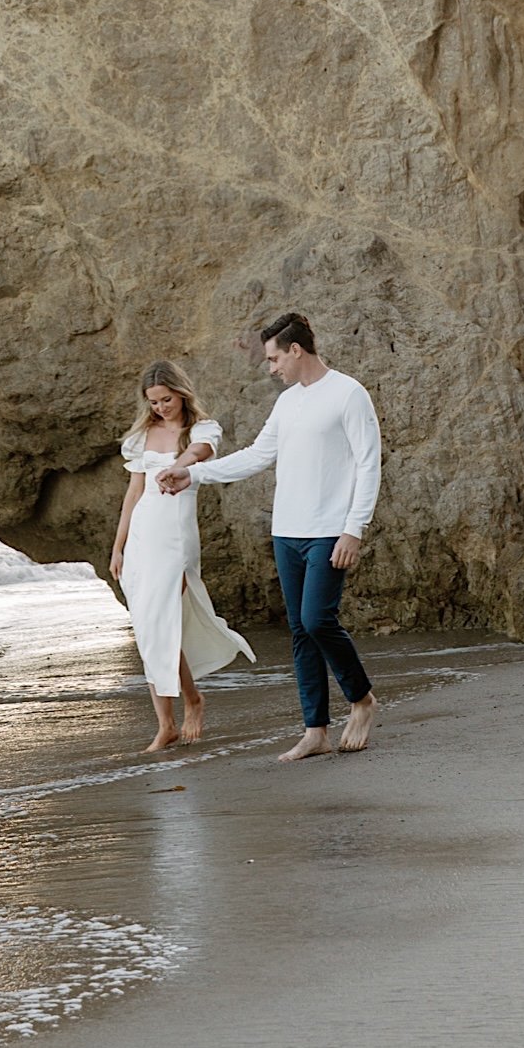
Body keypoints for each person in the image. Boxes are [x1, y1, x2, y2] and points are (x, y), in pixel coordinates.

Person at [159, 312, 379, 763]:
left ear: (296, 350)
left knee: (319, 620)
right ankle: (315, 729)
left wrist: (353, 529)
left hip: (329, 532)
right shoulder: (287, 403)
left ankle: (361, 701)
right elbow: (258, 455)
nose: (272, 368)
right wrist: (192, 473)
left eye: (275, 358)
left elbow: (368, 464)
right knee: (300, 630)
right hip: (287, 532)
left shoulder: (348, 394)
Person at [110, 360, 256, 752]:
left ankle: (192, 700)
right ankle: (166, 724)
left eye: (166, 399)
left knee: (162, 620)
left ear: (181, 392)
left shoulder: (201, 429)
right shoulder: (142, 436)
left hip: (175, 536)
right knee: (147, 627)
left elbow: (200, 452)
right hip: (142, 535)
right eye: (154, 402)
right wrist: (119, 546)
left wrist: (177, 466)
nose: (161, 408)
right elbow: (133, 494)